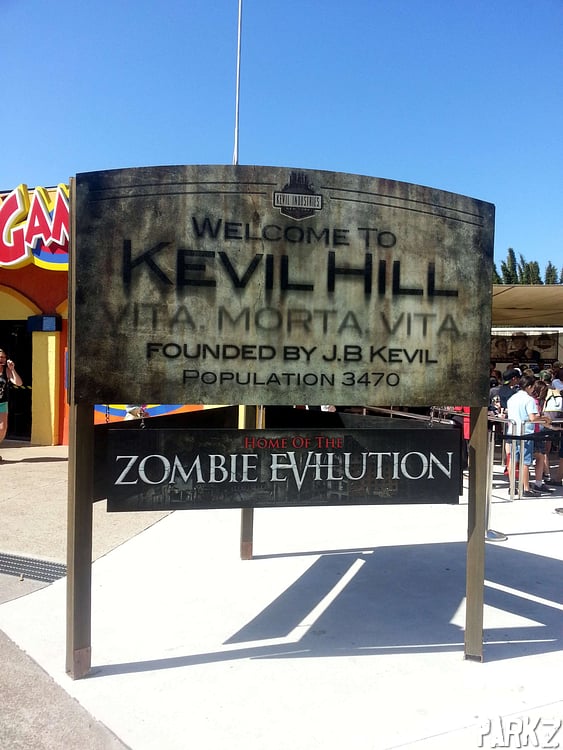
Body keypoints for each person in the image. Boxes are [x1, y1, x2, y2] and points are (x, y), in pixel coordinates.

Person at [506, 374, 553, 497]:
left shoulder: (512, 398)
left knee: (513, 460)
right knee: (525, 462)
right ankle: (526, 488)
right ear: (529, 386)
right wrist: (545, 419)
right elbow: (532, 418)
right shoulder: (529, 399)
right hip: (525, 433)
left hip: (512, 431)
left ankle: (512, 486)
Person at [0, 348, 23, 460]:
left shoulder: (6, 371)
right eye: (0, 357)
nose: (2, 359)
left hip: (2, 403)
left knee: (2, 428)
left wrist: (12, 369)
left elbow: (19, 383)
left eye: (3, 357)